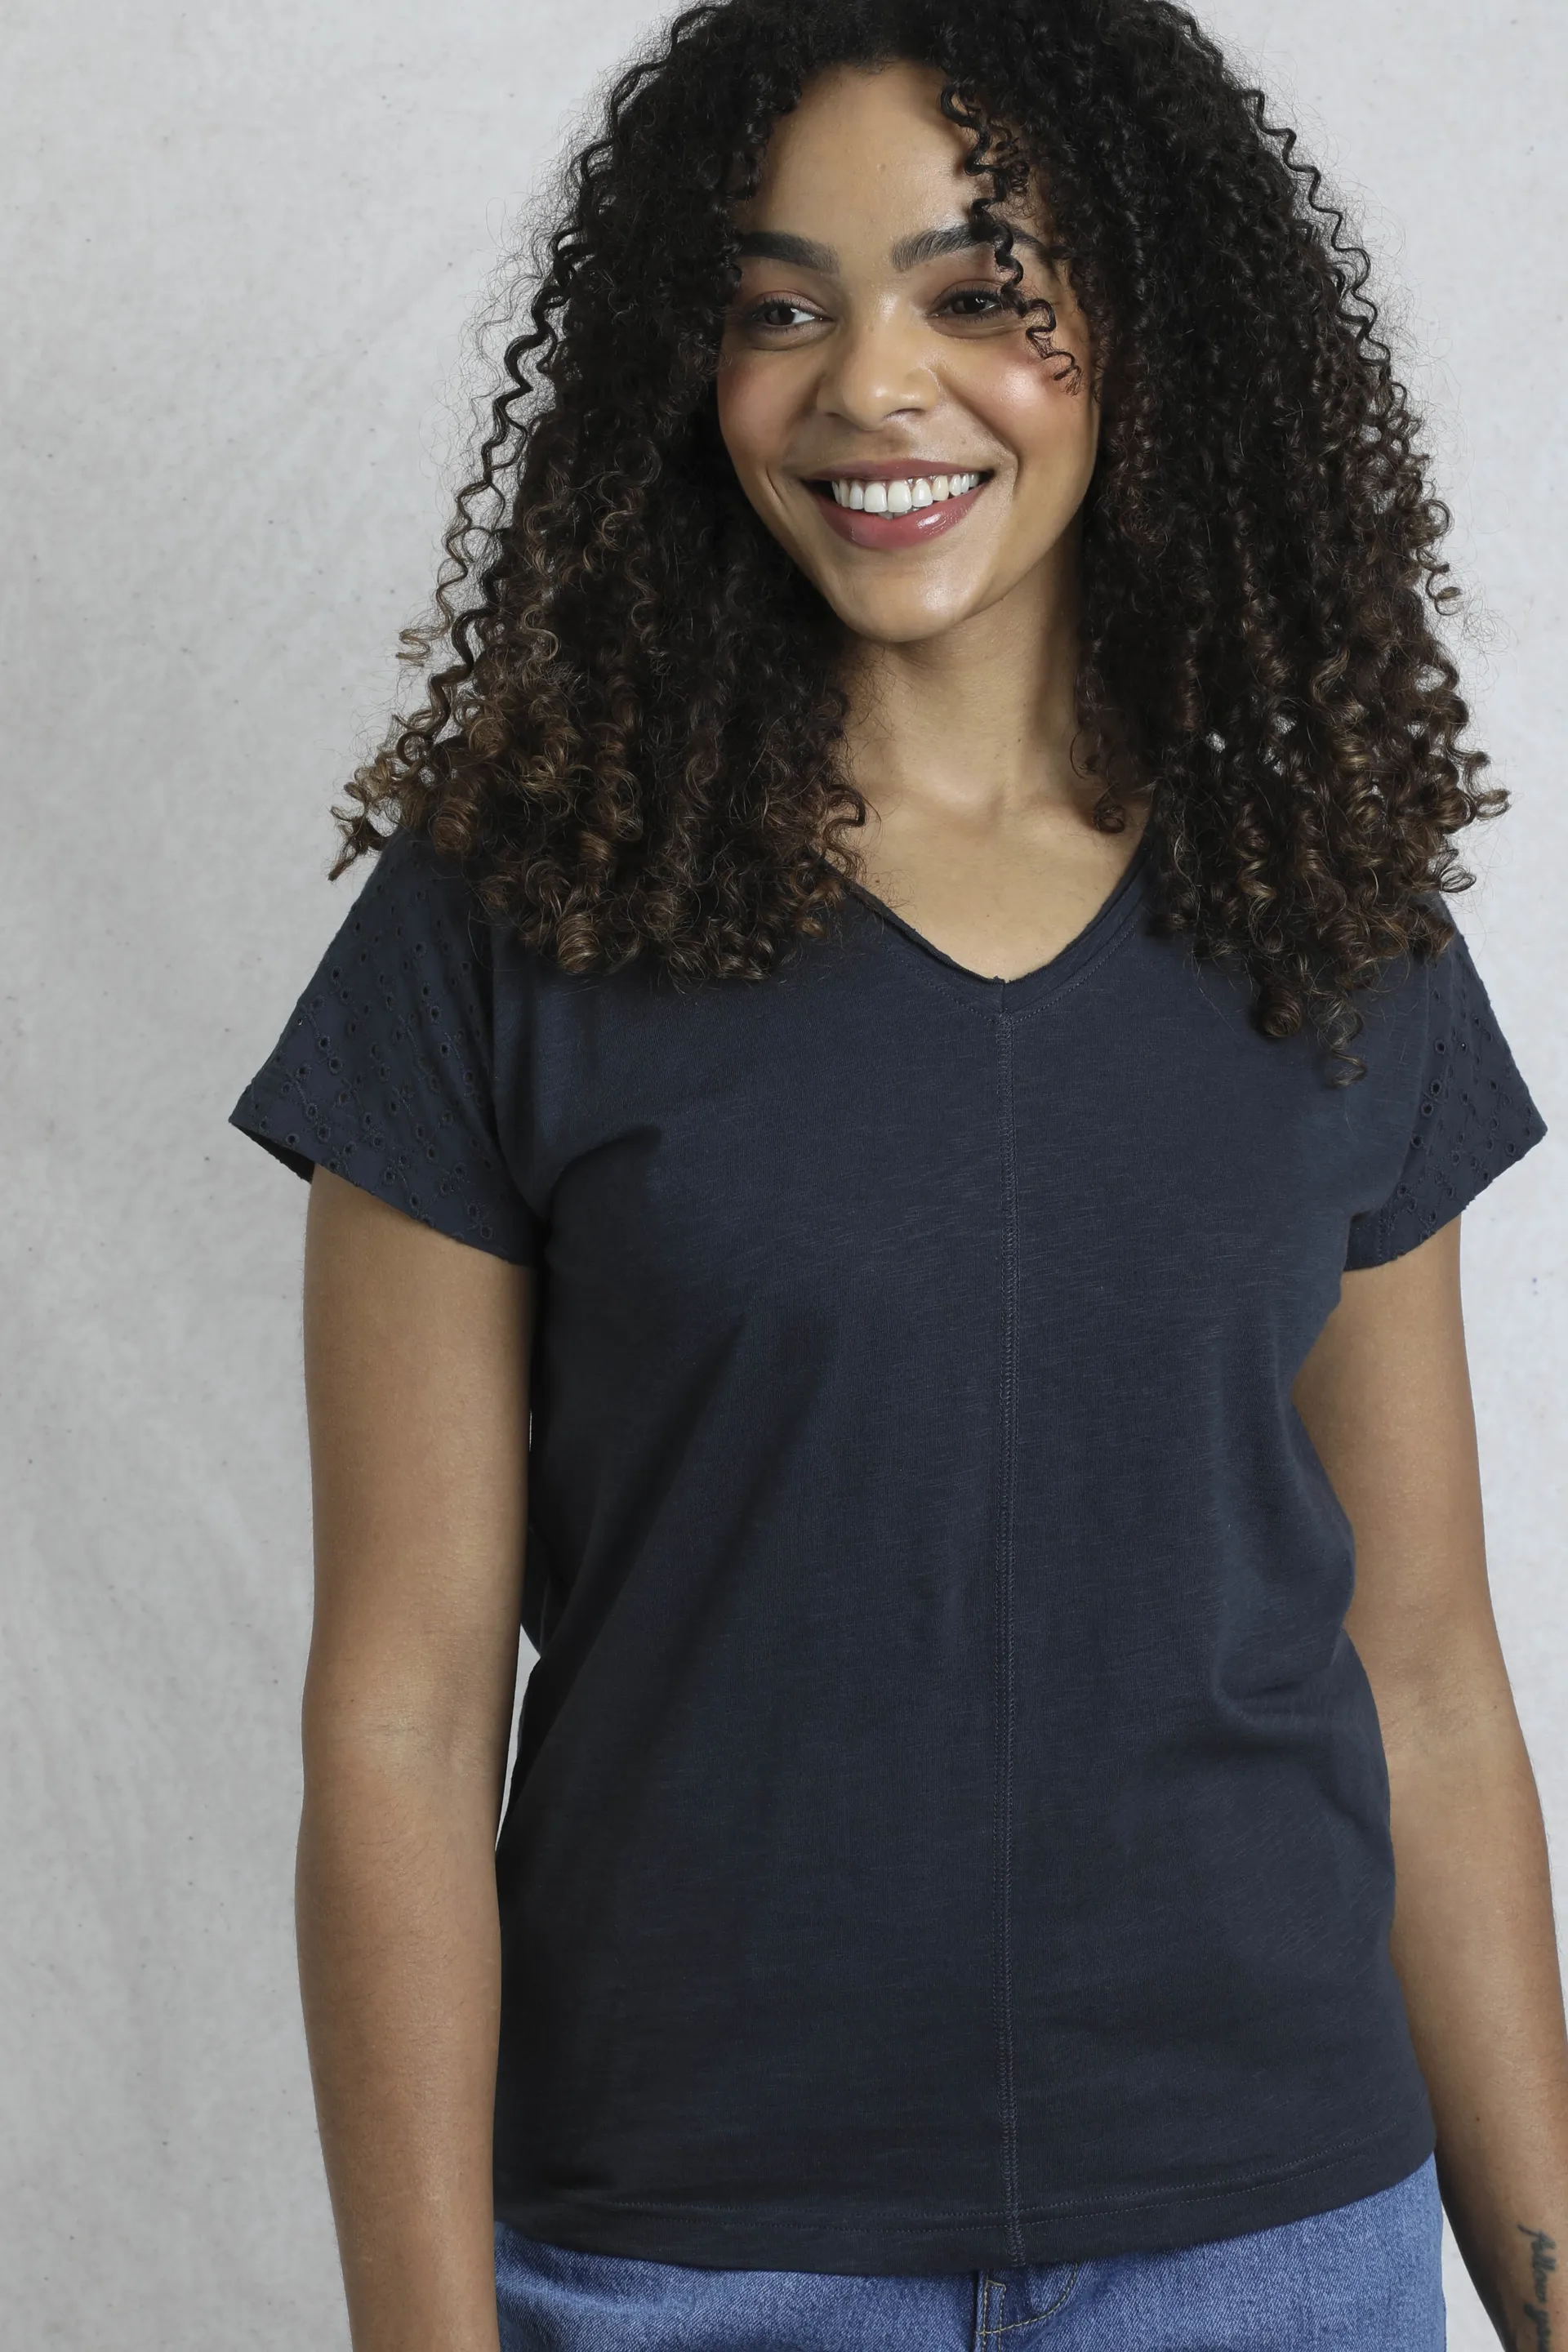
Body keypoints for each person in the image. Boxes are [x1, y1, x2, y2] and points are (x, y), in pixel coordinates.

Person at [230, 2, 1564, 2345]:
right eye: (778, 308)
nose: (871, 384)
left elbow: (1429, 1670)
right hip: (677, 2258)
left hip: (1271, 2252)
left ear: (1146, 334)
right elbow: (404, 1717)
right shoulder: (508, 919)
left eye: (980, 294)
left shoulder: (1322, 904)